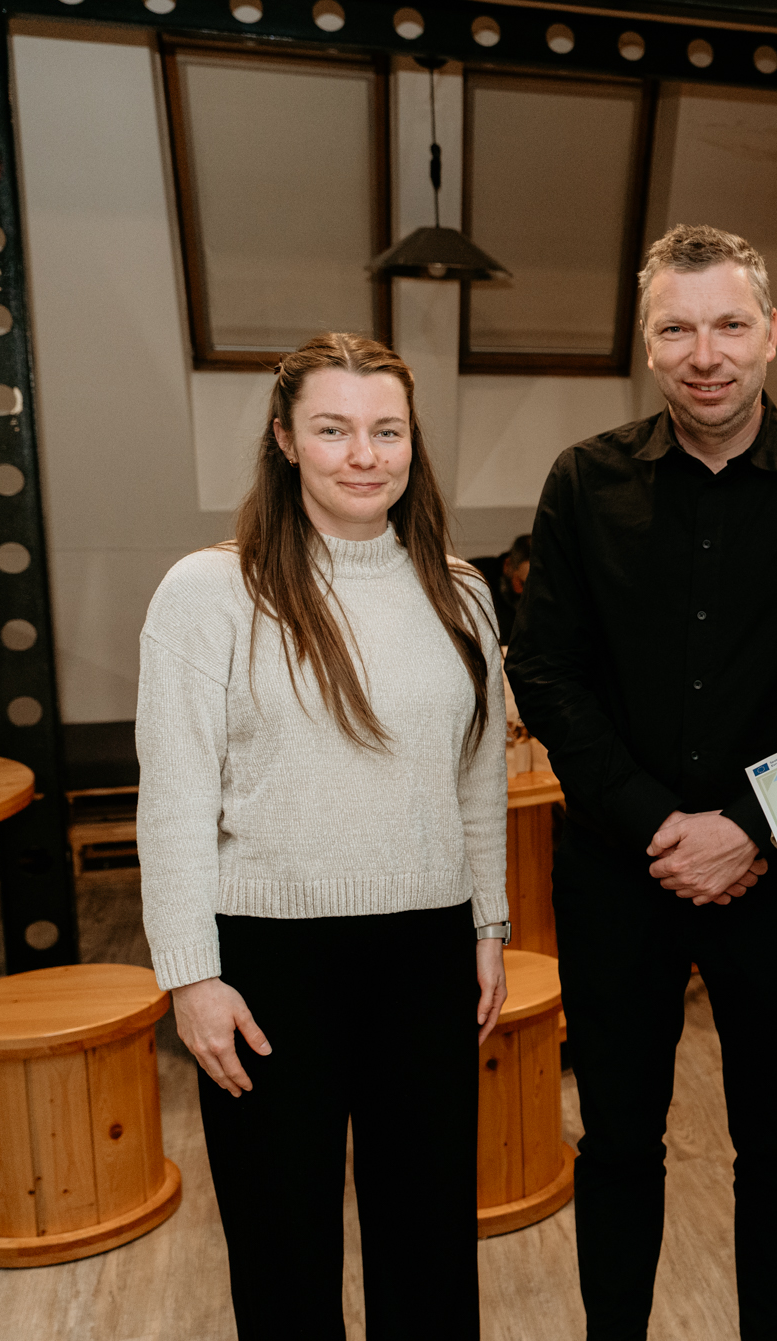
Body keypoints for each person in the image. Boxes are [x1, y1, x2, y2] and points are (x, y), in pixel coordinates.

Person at [506, 224, 777, 1340]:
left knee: (776, 1139)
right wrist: (658, 823)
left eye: (728, 325)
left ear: (770, 334)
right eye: (677, 328)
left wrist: (749, 828)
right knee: (618, 1140)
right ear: (647, 340)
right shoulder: (583, 481)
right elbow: (545, 669)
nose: (704, 353)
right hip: (617, 871)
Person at [136, 333, 510, 1340]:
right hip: (268, 963)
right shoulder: (209, 592)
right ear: (284, 439)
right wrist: (190, 976)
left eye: (387, 430)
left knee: (429, 1242)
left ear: (412, 441)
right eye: (334, 430)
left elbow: (477, 777)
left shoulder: (461, 592)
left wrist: (488, 927)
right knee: (283, 1247)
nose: (364, 455)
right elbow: (172, 801)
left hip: (427, 949)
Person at [469, 532, 532, 642]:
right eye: (521, 582)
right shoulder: (475, 576)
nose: (521, 591)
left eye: (530, 586)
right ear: (507, 564)